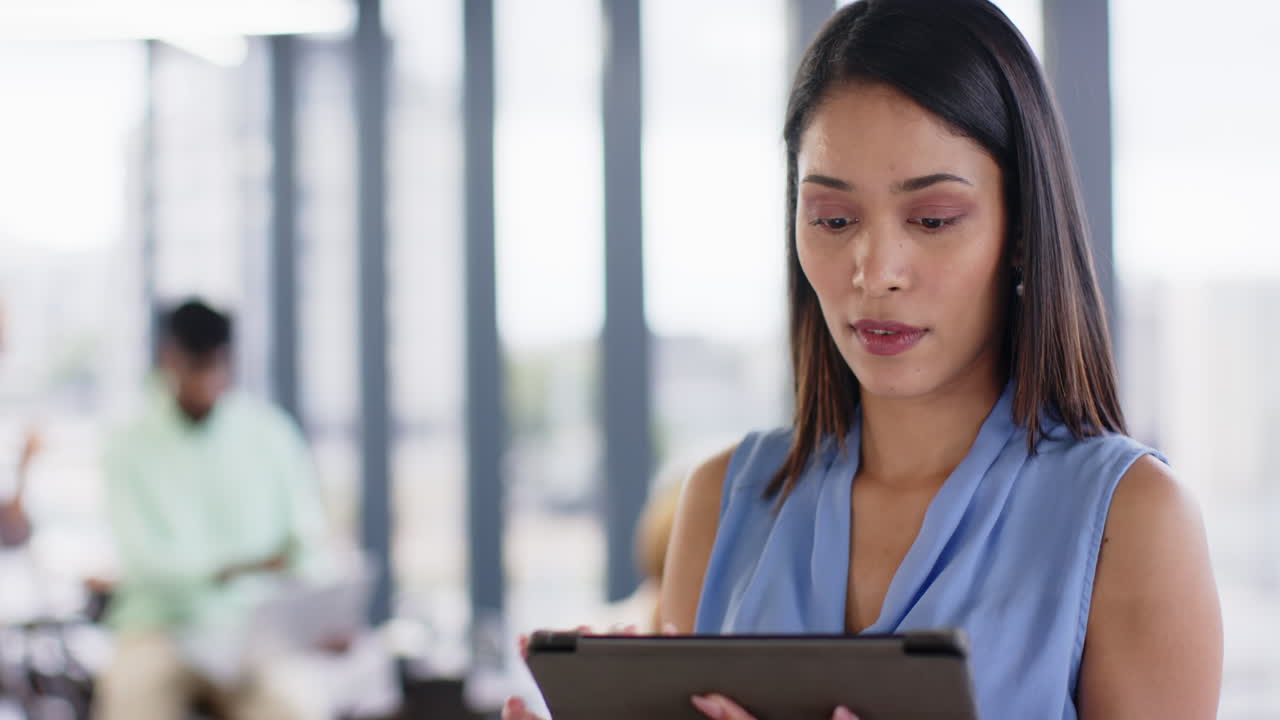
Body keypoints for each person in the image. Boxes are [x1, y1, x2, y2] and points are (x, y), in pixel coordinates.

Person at [503, 1, 1223, 718]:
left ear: (1023, 230)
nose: (874, 270)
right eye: (833, 220)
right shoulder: (721, 505)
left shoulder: (1132, 523)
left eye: (933, 219)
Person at [94, 299, 330, 720]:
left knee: (296, 705)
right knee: (131, 699)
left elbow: (306, 543)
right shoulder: (128, 445)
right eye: (195, 366)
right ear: (170, 359)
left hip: (252, 634)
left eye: (216, 366)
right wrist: (231, 569)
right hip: (159, 630)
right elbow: (143, 561)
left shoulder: (270, 434)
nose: (207, 381)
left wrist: (318, 616)